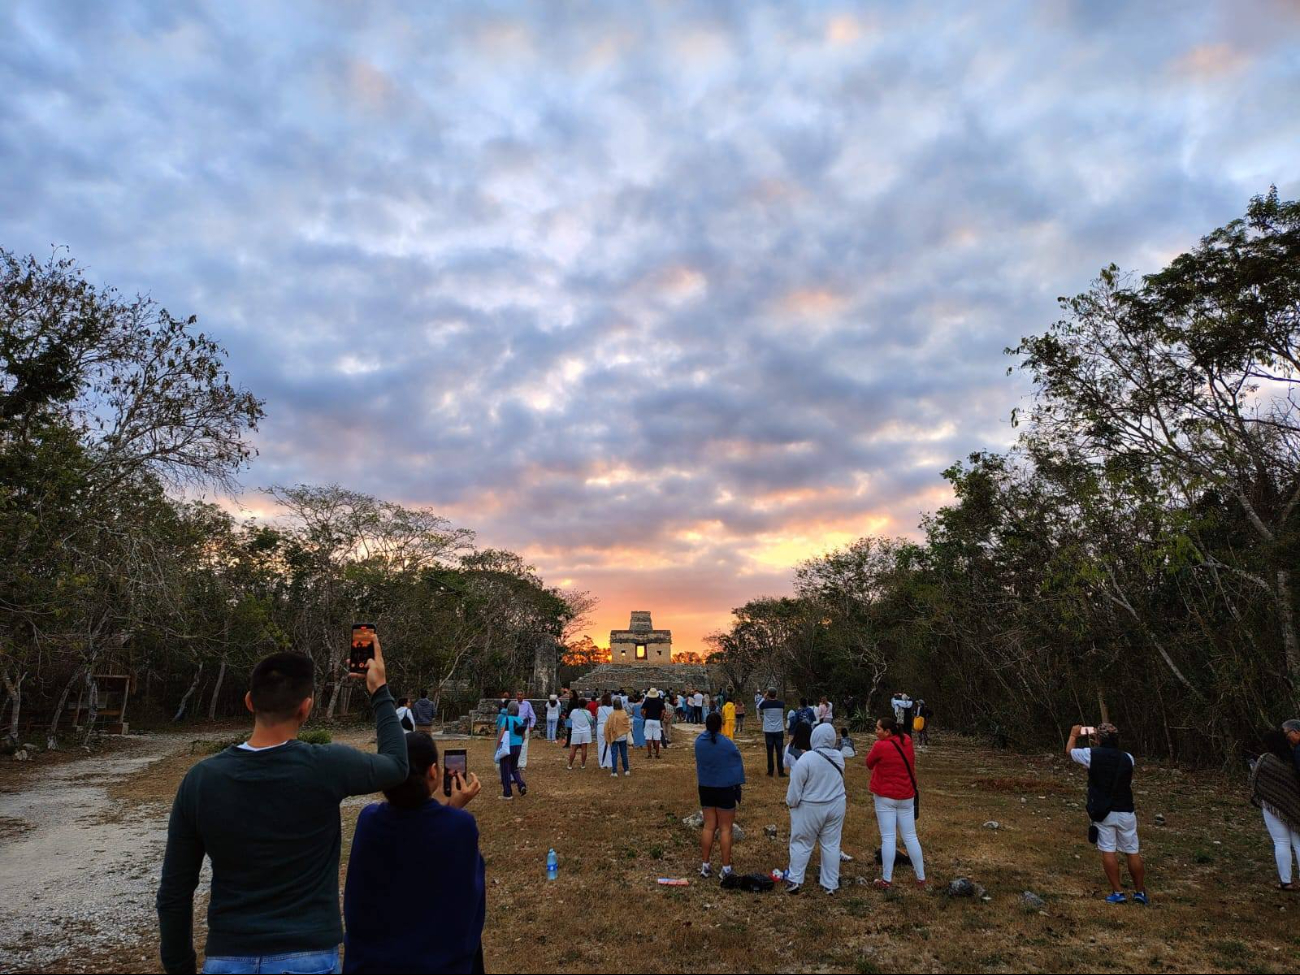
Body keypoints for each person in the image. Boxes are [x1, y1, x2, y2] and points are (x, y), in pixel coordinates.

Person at [156, 644, 408, 975]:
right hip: (309, 956)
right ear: (306, 708)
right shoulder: (327, 765)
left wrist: (179, 967)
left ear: (249, 702)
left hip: (228, 955)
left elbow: (174, 892)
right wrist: (379, 690)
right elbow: (397, 764)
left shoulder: (201, 780)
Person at [342, 733, 485, 973]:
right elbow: (468, 901)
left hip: (372, 965)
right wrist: (453, 810)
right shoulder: (460, 826)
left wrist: (450, 811)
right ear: (433, 772)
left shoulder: (368, 821)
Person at [1067, 723, 1148, 905]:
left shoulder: (1091, 754)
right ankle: (1140, 892)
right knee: (1132, 851)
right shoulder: (1128, 758)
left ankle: (1118, 892)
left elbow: (1070, 751)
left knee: (1108, 850)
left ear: (1098, 739)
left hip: (1104, 810)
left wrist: (1074, 735)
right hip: (1126, 809)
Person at [785, 723, 846, 895]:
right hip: (836, 805)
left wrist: (792, 802)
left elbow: (796, 786)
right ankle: (830, 883)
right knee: (831, 845)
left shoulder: (806, 759)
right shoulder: (839, 757)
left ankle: (795, 880)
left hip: (810, 807)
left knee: (801, 843)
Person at [867, 715, 926, 891]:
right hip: (906, 795)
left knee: (888, 838)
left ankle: (887, 879)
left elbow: (869, 763)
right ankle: (921, 877)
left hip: (885, 796)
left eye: (878, 729)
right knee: (910, 837)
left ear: (887, 731)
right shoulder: (907, 740)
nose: (876, 731)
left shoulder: (879, 746)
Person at [694, 711, 745, 880]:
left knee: (709, 826)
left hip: (706, 787)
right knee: (725, 829)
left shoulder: (699, 742)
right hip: (725, 788)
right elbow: (737, 762)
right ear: (721, 725)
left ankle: (705, 865)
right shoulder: (727, 744)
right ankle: (726, 868)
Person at [1250, 730, 1300, 890]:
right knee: (1299, 844)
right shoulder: (1294, 759)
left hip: (1271, 806)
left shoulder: (1266, 759)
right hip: (1295, 807)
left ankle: (1286, 881)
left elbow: (1255, 780)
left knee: (1281, 842)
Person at [496, 701, 527, 800]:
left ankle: (507, 793)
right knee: (514, 768)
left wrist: (498, 745)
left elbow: (501, 733)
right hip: (517, 746)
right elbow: (523, 736)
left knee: (505, 769)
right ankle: (521, 785)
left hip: (507, 746)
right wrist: (519, 744)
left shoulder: (506, 719)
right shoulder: (520, 720)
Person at [760, 688, 787, 778]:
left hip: (768, 730)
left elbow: (758, 706)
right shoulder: (781, 704)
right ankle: (781, 771)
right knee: (779, 752)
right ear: (776, 694)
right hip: (779, 730)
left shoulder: (764, 704)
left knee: (770, 751)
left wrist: (764, 698)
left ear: (768, 694)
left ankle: (770, 771)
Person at [605, 697, 632, 777]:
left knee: (614, 754)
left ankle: (614, 771)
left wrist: (608, 735)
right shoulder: (624, 713)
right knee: (624, 754)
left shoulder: (612, 714)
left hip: (614, 736)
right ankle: (626, 770)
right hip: (623, 736)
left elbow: (608, 726)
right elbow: (627, 724)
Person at [568, 698, 593, 770]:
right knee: (584, 748)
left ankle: (570, 765)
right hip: (585, 731)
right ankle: (583, 764)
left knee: (573, 749)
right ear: (586, 705)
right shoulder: (588, 712)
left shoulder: (574, 711)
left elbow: (570, 718)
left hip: (576, 731)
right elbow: (591, 721)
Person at [514, 691, 536, 769]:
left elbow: (532, 716)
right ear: (516, 695)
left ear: (523, 696)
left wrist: (531, 726)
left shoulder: (527, 704)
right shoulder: (513, 704)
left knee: (524, 745)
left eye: (521, 695)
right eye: (518, 694)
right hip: (515, 726)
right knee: (515, 745)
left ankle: (522, 764)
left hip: (524, 726)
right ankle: (515, 763)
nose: (519, 696)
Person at [642, 688, 666, 759]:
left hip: (648, 720)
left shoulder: (647, 701)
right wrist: (661, 718)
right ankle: (657, 754)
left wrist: (645, 717)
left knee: (648, 738)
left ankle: (649, 754)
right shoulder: (659, 701)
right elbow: (663, 711)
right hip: (656, 720)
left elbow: (642, 711)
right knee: (657, 738)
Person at [596, 693, 615, 770]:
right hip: (609, 726)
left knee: (601, 745)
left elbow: (597, 717)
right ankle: (610, 763)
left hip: (601, 726)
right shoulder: (613, 709)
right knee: (610, 745)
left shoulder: (599, 708)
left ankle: (602, 763)